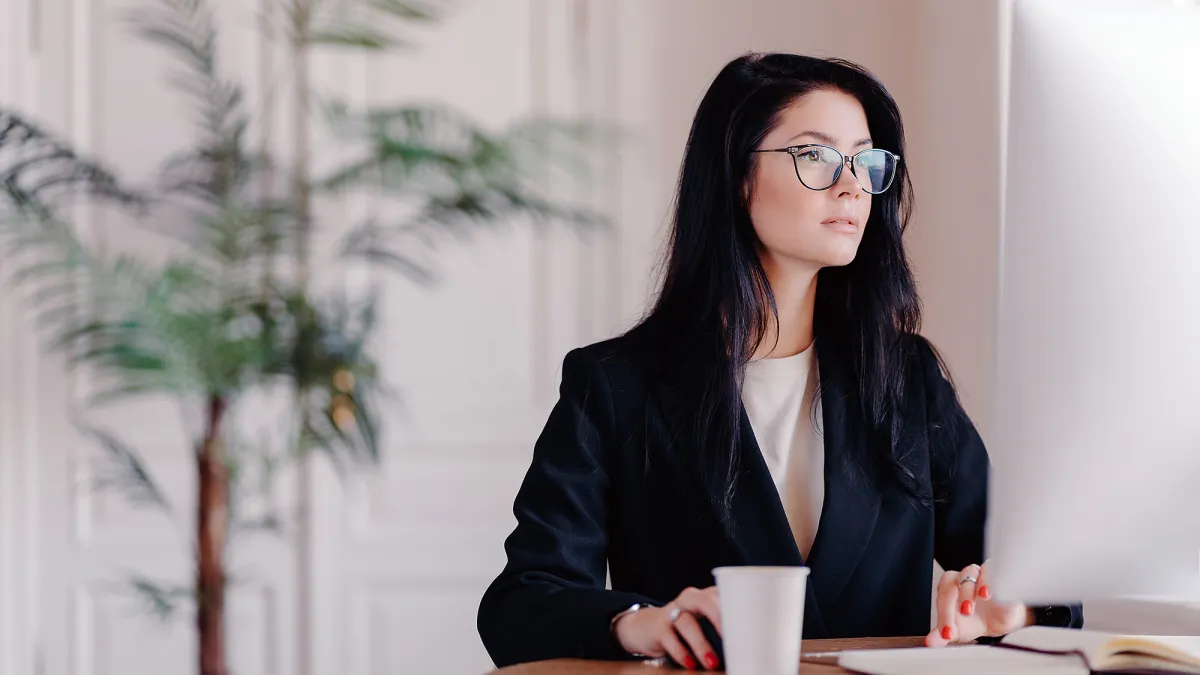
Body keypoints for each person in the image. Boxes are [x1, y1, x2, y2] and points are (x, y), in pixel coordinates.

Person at [476, 52, 1082, 670]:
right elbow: (521, 603)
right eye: (816, 155)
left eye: (867, 161)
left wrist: (1009, 607)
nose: (851, 185)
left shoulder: (905, 376)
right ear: (738, 178)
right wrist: (641, 623)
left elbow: (1045, 573)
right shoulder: (615, 384)